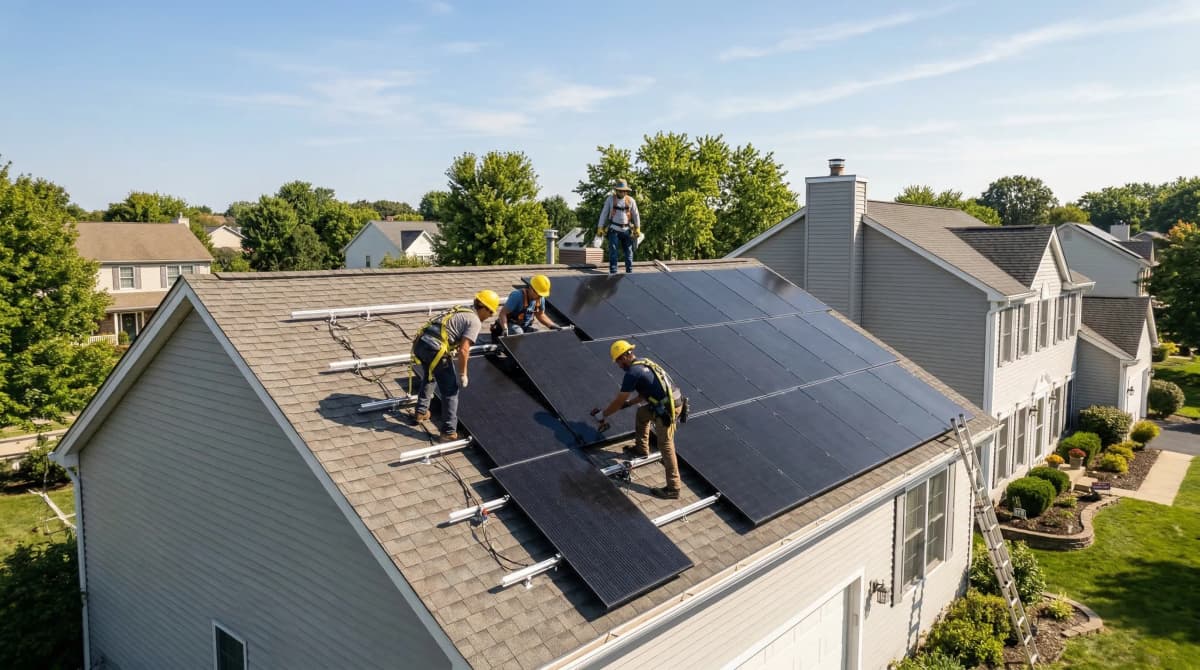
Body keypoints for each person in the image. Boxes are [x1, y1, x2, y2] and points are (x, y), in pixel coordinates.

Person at [591, 340, 683, 499]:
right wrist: (630, 404)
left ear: (626, 356)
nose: (619, 365)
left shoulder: (633, 372)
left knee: (666, 446)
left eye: (619, 361)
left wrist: (603, 415)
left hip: (668, 410)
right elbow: (644, 393)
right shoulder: (644, 363)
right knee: (642, 414)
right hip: (670, 402)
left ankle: (673, 488)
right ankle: (641, 449)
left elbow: (619, 399)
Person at [410, 290, 500, 441]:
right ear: (484, 307)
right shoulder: (475, 320)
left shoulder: (462, 309)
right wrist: (463, 374)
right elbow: (464, 350)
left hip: (421, 343)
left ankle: (420, 412)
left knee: (430, 376)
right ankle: (448, 432)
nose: (489, 317)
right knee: (450, 390)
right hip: (435, 349)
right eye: (490, 313)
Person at [596, 179, 641, 274]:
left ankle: (629, 271)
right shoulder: (610, 200)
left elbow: (636, 214)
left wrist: (637, 227)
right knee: (613, 251)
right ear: (616, 191)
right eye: (620, 190)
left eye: (624, 190)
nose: (622, 192)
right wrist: (600, 227)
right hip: (614, 229)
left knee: (629, 251)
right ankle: (613, 272)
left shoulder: (631, 200)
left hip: (627, 229)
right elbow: (604, 214)